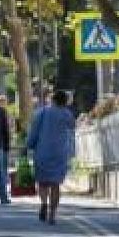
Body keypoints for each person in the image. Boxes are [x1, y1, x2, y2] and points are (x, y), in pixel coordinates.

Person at [27, 89, 76, 225]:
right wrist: (72, 152)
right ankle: (52, 214)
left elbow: (34, 131)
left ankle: (43, 203)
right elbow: (72, 132)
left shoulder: (42, 112)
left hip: (43, 151)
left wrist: (29, 145)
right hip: (60, 153)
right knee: (55, 184)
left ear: (52, 100)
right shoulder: (68, 115)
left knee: (42, 182)